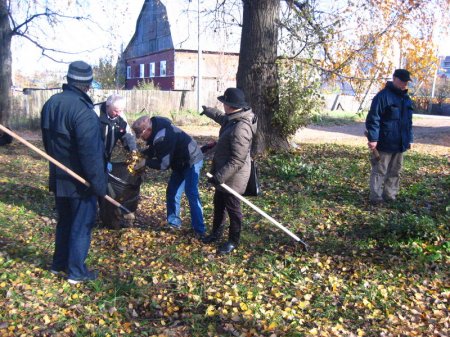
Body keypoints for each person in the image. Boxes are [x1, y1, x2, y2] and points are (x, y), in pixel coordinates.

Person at [41, 61, 108, 284]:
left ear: (69, 81)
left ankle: (59, 264)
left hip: (59, 178)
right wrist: (99, 186)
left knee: (65, 222)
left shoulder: (51, 103)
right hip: (81, 183)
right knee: (81, 226)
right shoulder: (83, 111)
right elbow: (91, 155)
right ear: (87, 85)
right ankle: (77, 272)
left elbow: (47, 144)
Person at [200, 87, 257, 254]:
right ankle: (216, 233)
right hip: (223, 171)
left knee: (233, 208)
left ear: (230, 106)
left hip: (234, 175)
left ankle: (233, 240)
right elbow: (221, 118)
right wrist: (209, 111)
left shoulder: (241, 128)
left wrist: (219, 176)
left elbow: (237, 160)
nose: (222, 106)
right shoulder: (233, 118)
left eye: (224, 103)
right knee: (218, 204)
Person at [131, 115, 206, 238]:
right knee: (172, 192)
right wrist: (141, 155)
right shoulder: (156, 129)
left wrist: (145, 162)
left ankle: (199, 230)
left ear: (147, 130)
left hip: (191, 160)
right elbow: (154, 149)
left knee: (191, 193)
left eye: (141, 135)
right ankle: (173, 224)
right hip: (179, 162)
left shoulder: (163, 136)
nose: (141, 139)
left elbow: (163, 164)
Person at [365, 69, 414, 205]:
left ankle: (390, 195)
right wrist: (373, 139)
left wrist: (409, 139)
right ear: (394, 78)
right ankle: (376, 197)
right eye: (402, 81)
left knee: (395, 172)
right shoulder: (382, 96)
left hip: (400, 144)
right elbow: (373, 118)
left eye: (406, 82)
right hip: (384, 143)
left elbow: (408, 122)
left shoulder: (406, 98)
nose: (405, 84)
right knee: (379, 171)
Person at [98, 94, 137, 164]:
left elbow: (128, 136)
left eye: (121, 110)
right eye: (116, 111)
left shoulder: (121, 118)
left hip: (107, 155)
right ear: (107, 106)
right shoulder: (95, 114)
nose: (119, 114)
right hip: (91, 155)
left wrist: (133, 150)